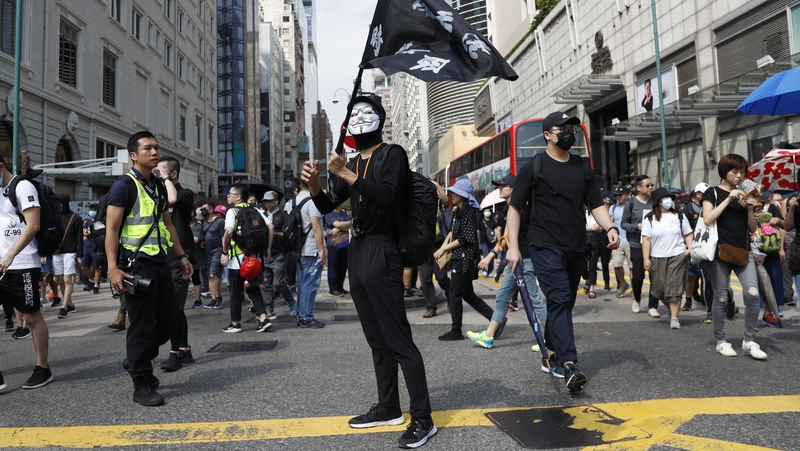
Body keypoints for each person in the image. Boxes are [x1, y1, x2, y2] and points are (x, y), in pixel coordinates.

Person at [302, 94, 436, 448]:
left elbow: (389, 196)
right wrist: (315, 183)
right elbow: (330, 204)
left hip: (383, 248)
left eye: (368, 111)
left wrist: (343, 171)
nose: (360, 117)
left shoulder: (391, 154)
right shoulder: (351, 162)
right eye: (355, 111)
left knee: (397, 339)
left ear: (379, 118)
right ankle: (389, 407)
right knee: (376, 340)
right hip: (358, 249)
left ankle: (423, 418)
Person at [506, 111, 619, 392]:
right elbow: (515, 208)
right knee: (558, 298)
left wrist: (610, 228)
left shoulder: (582, 167)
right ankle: (569, 364)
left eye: (572, 128)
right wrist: (512, 247)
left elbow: (595, 204)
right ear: (547, 134)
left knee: (564, 303)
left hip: (575, 245)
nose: (569, 132)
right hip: (544, 244)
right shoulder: (534, 167)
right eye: (562, 128)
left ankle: (551, 352)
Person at [105, 131, 193, 406]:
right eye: (148, 148)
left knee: (170, 319)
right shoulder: (123, 187)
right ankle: (141, 383)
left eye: (156, 148)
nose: (154, 152)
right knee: (141, 325)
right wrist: (112, 269)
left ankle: (137, 359)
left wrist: (181, 256)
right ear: (134, 155)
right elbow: (111, 229)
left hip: (161, 261)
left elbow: (167, 225)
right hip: (135, 264)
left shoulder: (156, 185)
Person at [467, 174, 546, 350]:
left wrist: (491, 255)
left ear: (514, 189)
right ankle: (488, 336)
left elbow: (513, 237)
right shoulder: (512, 208)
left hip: (525, 259)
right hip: (514, 261)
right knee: (503, 296)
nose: (500, 189)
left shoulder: (520, 209)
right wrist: (490, 256)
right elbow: (505, 239)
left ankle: (553, 337)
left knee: (534, 299)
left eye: (503, 186)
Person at [701, 154, 766, 360]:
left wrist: (749, 208)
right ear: (724, 172)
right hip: (719, 252)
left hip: (742, 251)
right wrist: (729, 199)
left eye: (741, 172)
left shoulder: (746, 193)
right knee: (720, 297)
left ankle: (749, 340)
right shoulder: (712, 192)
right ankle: (721, 341)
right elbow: (708, 218)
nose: (739, 176)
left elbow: (752, 228)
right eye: (734, 172)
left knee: (753, 293)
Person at [0, 154, 53, 389]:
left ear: (1, 167)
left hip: (22, 263)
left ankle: (42, 368)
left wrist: (10, 255)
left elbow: (34, 224)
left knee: (31, 317)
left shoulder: (21, 186)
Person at [434, 179, 494, 341]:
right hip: (458, 257)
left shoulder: (468, 212)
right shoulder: (457, 211)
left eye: (455, 192)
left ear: (463, 195)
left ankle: (456, 330)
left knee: (454, 294)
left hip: (465, 258)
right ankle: (496, 319)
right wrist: (445, 247)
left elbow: (465, 238)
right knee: (468, 294)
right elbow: (453, 234)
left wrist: (443, 248)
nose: (452, 195)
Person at [157, 156, 198, 371]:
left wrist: (165, 179)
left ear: (173, 174)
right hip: (162, 256)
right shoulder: (158, 194)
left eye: (161, 172)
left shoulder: (184, 193)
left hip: (179, 257)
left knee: (174, 306)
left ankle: (174, 353)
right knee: (174, 307)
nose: (157, 175)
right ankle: (184, 349)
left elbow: (173, 201)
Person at [220, 184, 273, 333]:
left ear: (238, 197)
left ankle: (235, 323)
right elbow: (271, 227)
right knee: (253, 288)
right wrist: (268, 249)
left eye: (230, 193)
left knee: (235, 292)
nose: (227, 196)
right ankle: (263, 318)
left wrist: (224, 252)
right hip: (253, 259)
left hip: (236, 260)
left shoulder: (232, 211)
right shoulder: (255, 209)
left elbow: (228, 232)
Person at [642, 188, 693, 329]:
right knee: (658, 290)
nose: (669, 201)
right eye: (665, 198)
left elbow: (688, 234)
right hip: (656, 257)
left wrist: (689, 249)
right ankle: (671, 309)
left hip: (677, 255)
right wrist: (646, 258)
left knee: (674, 288)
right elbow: (646, 239)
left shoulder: (679, 217)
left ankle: (675, 318)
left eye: (670, 198)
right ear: (658, 201)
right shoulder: (650, 219)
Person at [622, 175, 660, 317]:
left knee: (655, 276)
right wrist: (636, 227)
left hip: (654, 244)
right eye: (647, 185)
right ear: (638, 187)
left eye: (652, 185)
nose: (650, 188)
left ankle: (653, 305)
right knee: (638, 276)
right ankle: (637, 299)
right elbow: (623, 224)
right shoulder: (631, 203)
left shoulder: (655, 202)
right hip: (637, 244)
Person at [291, 179, 326, 328]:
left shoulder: (290, 203)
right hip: (310, 249)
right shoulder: (313, 202)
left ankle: (300, 315)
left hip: (295, 249)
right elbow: (316, 227)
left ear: (299, 186)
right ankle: (306, 316)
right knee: (310, 284)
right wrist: (322, 249)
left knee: (301, 283)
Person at [260, 190, 297, 318]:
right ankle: (269, 308)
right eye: (265, 201)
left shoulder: (282, 215)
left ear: (276, 201)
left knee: (278, 282)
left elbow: (287, 234)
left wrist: (276, 234)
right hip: (263, 255)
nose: (267, 204)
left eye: (270, 201)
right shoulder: (261, 215)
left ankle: (291, 301)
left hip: (279, 254)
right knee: (265, 283)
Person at [418, 181, 452, 318]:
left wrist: (437, 185)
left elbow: (445, 199)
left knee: (441, 276)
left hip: (438, 244)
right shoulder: (415, 204)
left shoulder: (436, 202)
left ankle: (451, 296)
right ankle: (431, 307)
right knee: (426, 278)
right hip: (422, 246)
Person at [54, 194, 83, 319]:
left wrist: (79, 255)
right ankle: (70, 303)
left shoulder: (75, 218)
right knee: (60, 279)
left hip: (70, 252)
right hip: (56, 253)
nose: (58, 205)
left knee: (67, 279)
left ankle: (64, 307)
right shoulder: (54, 218)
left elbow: (79, 238)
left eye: (60, 202)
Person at [203, 203, 226, 309]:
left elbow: (223, 237)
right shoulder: (203, 222)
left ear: (211, 209)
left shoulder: (220, 222)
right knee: (209, 276)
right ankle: (213, 298)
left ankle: (219, 297)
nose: (203, 211)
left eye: (205, 209)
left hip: (217, 251)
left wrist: (224, 252)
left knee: (213, 275)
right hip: (206, 252)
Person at [610, 186, 631, 297]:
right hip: (618, 241)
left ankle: (635, 289)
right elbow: (610, 222)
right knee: (617, 264)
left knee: (632, 266)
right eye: (616, 195)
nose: (618, 197)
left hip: (630, 240)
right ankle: (623, 283)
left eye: (620, 195)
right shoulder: (613, 208)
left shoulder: (632, 206)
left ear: (627, 195)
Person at [324, 205, 350, 297]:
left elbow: (349, 225)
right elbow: (337, 225)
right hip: (333, 244)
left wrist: (339, 228)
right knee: (333, 266)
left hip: (345, 242)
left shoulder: (343, 213)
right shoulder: (328, 213)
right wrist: (342, 226)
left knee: (343, 266)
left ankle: (340, 286)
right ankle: (333, 288)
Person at [189, 203, 208, 309]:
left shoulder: (197, 226)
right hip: (182, 256)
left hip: (194, 257)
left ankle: (198, 299)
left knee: (195, 278)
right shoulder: (181, 225)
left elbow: (196, 239)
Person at [81, 204, 101, 294]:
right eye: (91, 209)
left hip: (96, 246)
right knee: (84, 266)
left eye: (94, 210)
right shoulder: (87, 222)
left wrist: (89, 232)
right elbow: (84, 233)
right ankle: (92, 280)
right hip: (87, 246)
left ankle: (96, 285)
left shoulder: (99, 222)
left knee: (97, 266)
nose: (92, 211)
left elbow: (96, 232)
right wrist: (90, 232)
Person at [478, 207, 499, 277]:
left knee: (491, 257)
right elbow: (478, 231)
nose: (487, 212)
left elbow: (496, 230)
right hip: (483, 241)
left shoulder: (493, 221)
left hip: (492, 242)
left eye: (489, 211)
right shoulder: (480, 221)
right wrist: (478, 241)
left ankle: (490, 271)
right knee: (485, 255)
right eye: (486, 210)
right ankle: (484, 270)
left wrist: (498, 239)